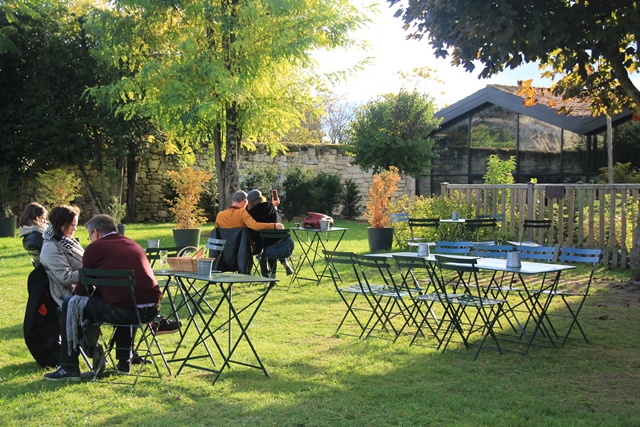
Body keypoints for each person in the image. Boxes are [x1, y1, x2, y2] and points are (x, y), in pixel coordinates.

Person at [44, 214, 162, 381]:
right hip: (151, 311)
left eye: (90, 236)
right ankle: (123, 363)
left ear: (96, 233)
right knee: (124, 298)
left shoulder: (95, 248)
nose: (90, 240)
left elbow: (82, 291)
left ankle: (68, 366)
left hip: (123, 311)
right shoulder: (133, 244)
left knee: (70, 303)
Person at [40, 205, 84, 307]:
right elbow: (66, 277)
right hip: (69, 295)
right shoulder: (50, 247)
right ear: (61, 225)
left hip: (82, 289)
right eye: (72, 225)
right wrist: (92, 271)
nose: (75, 229)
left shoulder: (66, 241)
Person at [245, 189, 294, 277]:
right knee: (274, 243)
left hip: (268, 250)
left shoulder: (249, 215)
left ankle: (271, 275)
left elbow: (253, 235)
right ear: (261, 198)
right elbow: (278, 221)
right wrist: (275, 207)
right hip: (287, 247)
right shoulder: (270, 206)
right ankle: (284, 264)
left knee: (269, 247)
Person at [18, 202, 48, 267]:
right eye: (43, 218)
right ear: (35, 219)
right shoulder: (40, 236)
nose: (46, 222)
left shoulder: (28, 236)